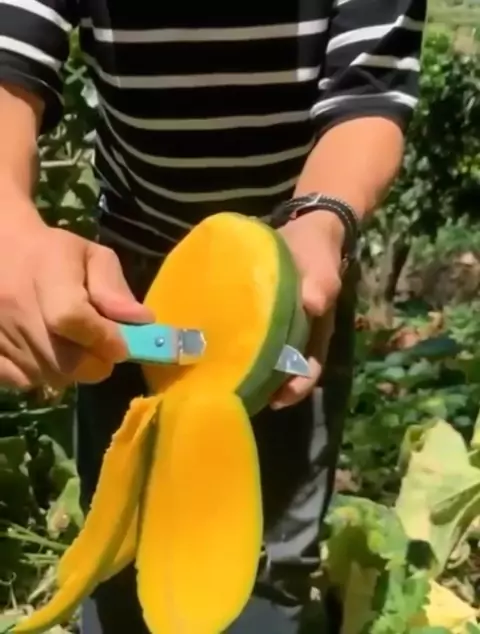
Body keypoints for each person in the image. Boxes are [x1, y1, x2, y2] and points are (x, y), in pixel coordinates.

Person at [0, 1, 426, 632]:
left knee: (267, 567)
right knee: (118, 544)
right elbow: (11, 50)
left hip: (294, 276)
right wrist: (7, 227)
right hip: (128, 282)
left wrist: (323, 218)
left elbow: (369, 92)